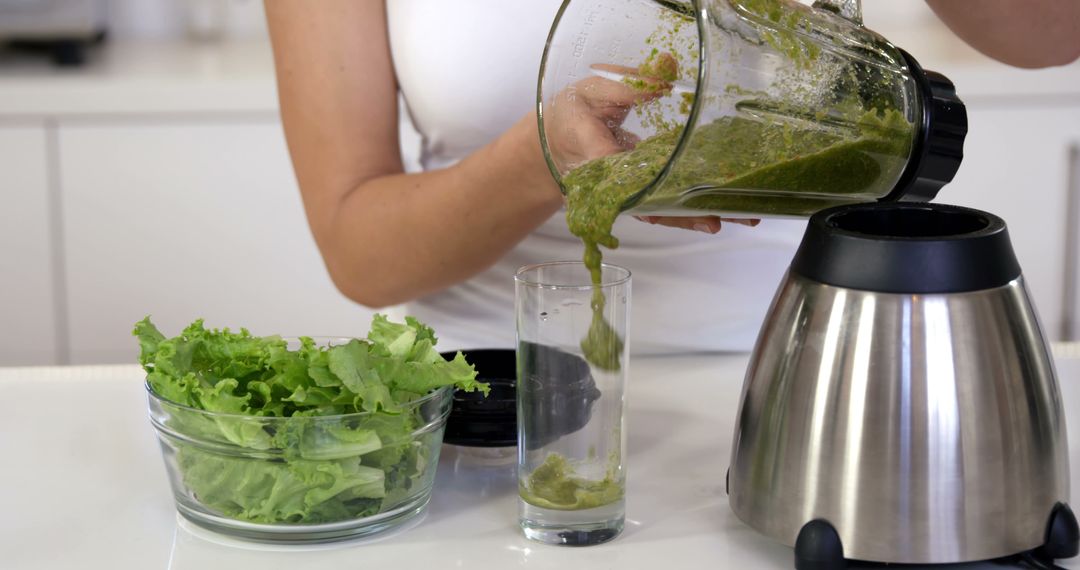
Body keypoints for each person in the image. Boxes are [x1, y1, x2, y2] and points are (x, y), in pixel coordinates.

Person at [264, 0, 1080, 352]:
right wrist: (545, 161)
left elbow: (1051, 33)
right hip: (488, 397)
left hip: (797, 379)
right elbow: (359, 249)